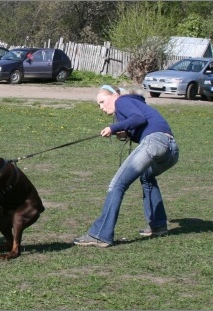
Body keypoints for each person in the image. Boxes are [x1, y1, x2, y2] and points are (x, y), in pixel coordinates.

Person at [73, 85, 179, 247]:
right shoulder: (136, 103)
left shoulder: (122, 101)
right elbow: (141, 122)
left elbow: (138, 118)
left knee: (117, 185)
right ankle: (158, 225)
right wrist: (126, 133)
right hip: (171, 150)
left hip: (155, 142)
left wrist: (113, 127)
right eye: (99, 105)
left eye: (102, 101)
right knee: (147, 176)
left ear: (114, 95)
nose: (101, 107)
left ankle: (100, 234)